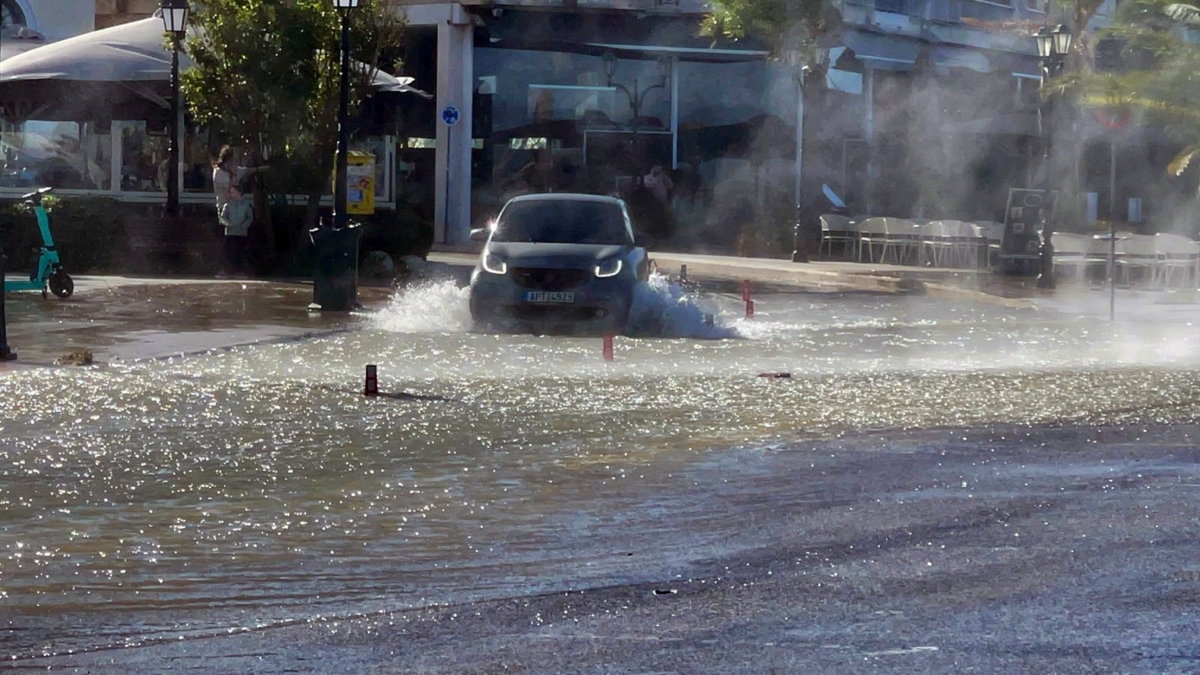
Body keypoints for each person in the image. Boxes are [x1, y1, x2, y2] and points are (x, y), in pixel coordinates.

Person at [218, 185, 254, 279]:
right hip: (230, 232)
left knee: (240, 252)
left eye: (234, 192)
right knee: (228, 252)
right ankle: (226, 270)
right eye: (231, 192)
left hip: (241, 233)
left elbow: (250, 217)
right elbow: (222, 217)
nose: (232, 195)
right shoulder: (228, 205)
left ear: (239, 193)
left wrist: (244, 225)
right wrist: (227, 223)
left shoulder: (246, 204)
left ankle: (239, 271)